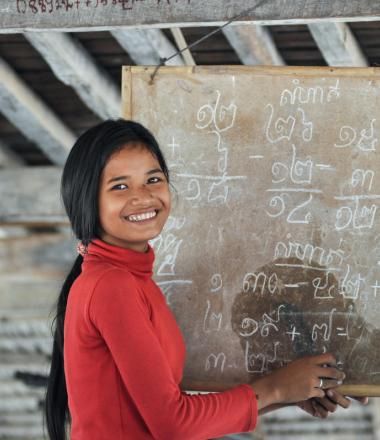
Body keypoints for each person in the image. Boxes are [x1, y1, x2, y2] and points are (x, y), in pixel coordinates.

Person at [44, 119, 366, 440]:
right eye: (120, 186)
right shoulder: (112, 285)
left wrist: (287, 394)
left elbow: (162, 418)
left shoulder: (129, 281)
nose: (143, 196)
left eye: (153, 179)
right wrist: (277, 388)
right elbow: (174, 425)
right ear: (86, 199)